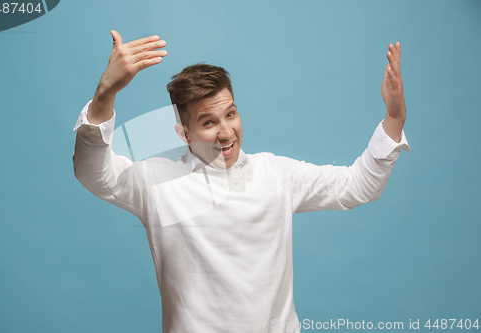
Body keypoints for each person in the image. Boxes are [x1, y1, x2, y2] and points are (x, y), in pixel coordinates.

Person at [72, 30, 409, 333]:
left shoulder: (275, 174)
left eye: (230, 114)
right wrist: (105, 94)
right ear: (184, 133)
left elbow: (357, 185)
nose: (226, 132)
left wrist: (393, 119)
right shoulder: (158, 182)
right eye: (208, 122)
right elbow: (93, 172)